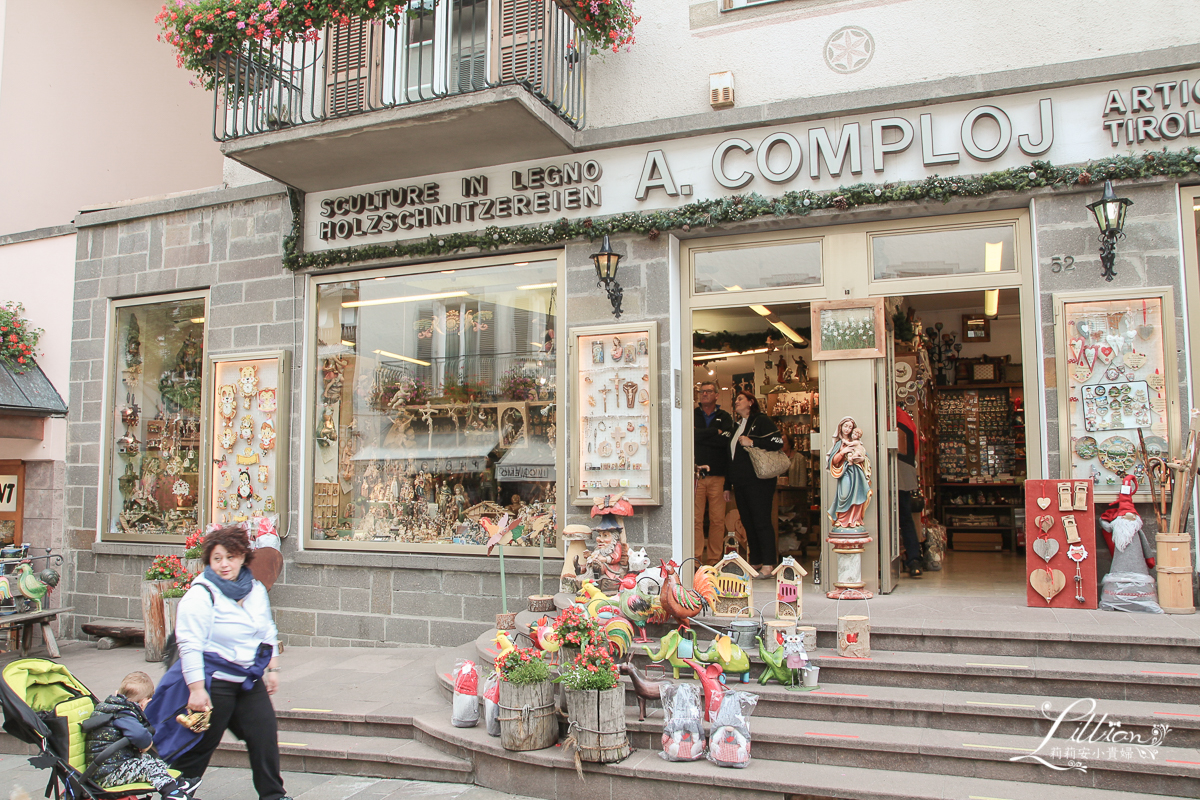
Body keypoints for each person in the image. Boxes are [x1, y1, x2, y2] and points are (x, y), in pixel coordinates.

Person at [146, 525, 290, 800]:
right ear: (209, 561)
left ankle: (273, 795)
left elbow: (266, 630)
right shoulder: (202, 593)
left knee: (264, 736)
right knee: (201, 743)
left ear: (243, 558)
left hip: (247, 679)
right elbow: (189, 644)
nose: (224, 564)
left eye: (231, 557)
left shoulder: (254, 589)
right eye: (217, 558)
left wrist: (273, 668)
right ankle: (177, 793)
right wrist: (197, 688)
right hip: (214, 681)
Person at [85, 672, 193, 799]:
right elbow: (140, 736)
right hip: (108, 774)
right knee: (148, 767)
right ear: (144, 703)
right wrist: (147, 744)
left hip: (106, 768)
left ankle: (178, 784)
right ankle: (171, 792)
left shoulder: (110, 708)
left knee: (150, 762)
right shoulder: (124, 714)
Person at [725, 390, 784, 573]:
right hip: (741, 482)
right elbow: (731, 458)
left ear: (751, 402)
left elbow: (777, 441)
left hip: (759, 481)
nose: (737, 402)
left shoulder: (761, 420)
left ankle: (768, 562)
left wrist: (753, 441)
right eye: (735, 400)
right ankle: (756, 560)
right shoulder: (738, 426)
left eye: (740, 399)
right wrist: (728, 485)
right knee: (748, 522)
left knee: (761, 520)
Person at [694, 381, 734, 564]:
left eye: (709, 391)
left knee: (718, 521)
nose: (704, 394)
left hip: (718, 476)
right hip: (696, 476)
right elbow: (691, 438)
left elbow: (725, 442)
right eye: (702, 392)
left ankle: (714, 561)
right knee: (695, 519)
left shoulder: (725, 417)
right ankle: (694, 560)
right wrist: (713, 432)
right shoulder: (692, 414)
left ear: (717, 395)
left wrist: (701, 435)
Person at [827, 415, 872, 530]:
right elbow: (834, 461)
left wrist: (862, 459)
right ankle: (842, 519)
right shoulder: (839, 444)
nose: (847, 429)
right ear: (841, 427)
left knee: (858, 494)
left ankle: (854, 519)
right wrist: (843, 452)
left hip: (856, 472)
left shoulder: (855, 442)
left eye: (850, 427)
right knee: (844, 494)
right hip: (845, 472)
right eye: (845, 426)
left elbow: (864, 456)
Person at [895, 405, 923, 577]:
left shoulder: (879, 416)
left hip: (887, 469)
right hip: (904, 469)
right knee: (905, 517)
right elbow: (915, 444)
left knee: (880, 516)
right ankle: (914, 560)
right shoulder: (905, 417)